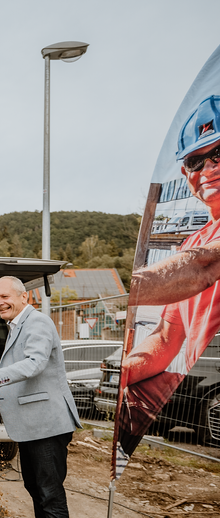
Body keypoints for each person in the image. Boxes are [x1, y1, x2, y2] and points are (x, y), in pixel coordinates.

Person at [120, 95, 220, 457]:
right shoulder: (193, 240)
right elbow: (165, 340)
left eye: (219, 153)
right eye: (196, 160)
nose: (209, 167)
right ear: (184, 172)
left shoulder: (198, 252)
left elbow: (201, 267)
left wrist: (125, 291)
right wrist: (123, 373)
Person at [0, 276, 81, 518]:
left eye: (5, 296)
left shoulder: (37, 323)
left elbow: (34, 364)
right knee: (36, 489)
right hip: (32, 425)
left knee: (50, 495)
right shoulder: (17, 325)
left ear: (24, 297)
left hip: (47, 424)